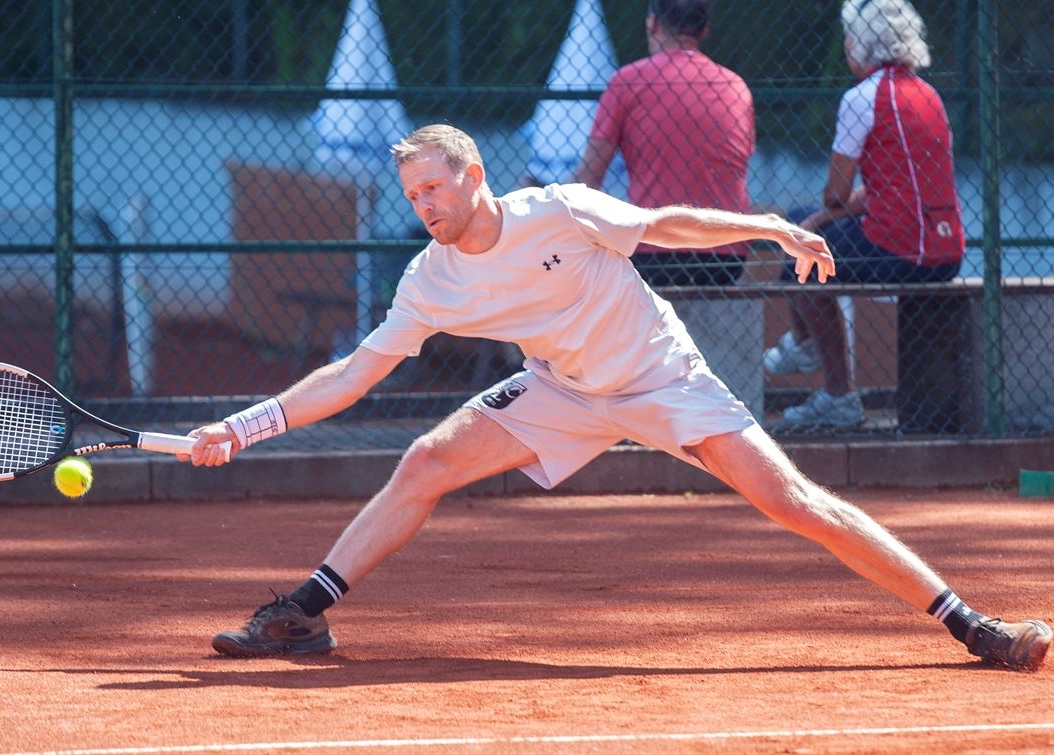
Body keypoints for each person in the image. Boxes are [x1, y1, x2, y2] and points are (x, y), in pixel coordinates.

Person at [182, 124, 1048, 672]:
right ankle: (303, 615)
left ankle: (971, 623)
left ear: (474, 175)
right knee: (427, 460)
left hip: (662, 378)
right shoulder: (429, 279)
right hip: (562, 387)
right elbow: (353, 374)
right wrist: (244, 426)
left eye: (435, 188)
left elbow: (665, 222)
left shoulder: (558, 210)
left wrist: (766, 225)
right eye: (414, 196)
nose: (425, 206)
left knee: (793, 501)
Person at [763, 0, 965, 430]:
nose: (846, 45)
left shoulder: (861, 98)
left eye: (849, 38)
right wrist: (818, 219)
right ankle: (804, 346)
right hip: (947, 250)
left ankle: (831, 385)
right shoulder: (927, 94)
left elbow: (836, 192)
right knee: (802, 220)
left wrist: (822, 215)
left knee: (802, 258)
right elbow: (882, 190)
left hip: (901, 249)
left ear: (860, 43)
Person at [572, 0, 755, 287]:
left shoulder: (626, 82)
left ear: (654, 24)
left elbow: (587, 180)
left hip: (652, 252)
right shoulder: (735, 86)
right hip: (726, 254)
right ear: (704, 29)